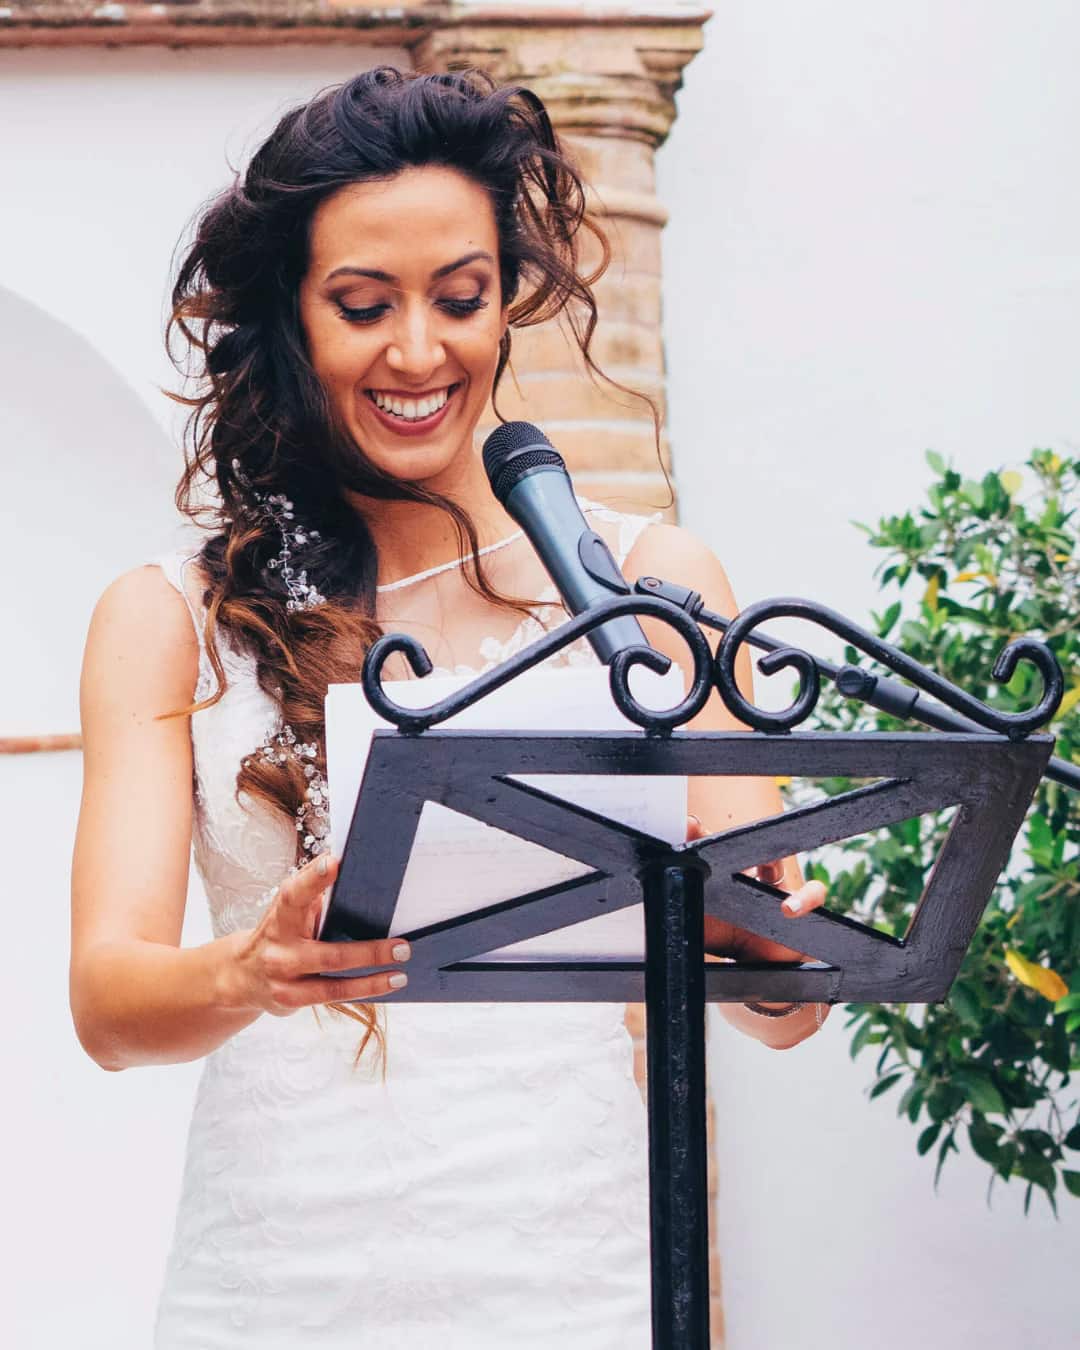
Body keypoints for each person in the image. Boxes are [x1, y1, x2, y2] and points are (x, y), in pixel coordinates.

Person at [70, 67, 829, 1349]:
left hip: (568, 1265)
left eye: (461, 299)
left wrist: (765, 950)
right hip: (277, 1277)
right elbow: (108, 1006)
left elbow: (790, 1011)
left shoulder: (653, 587)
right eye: (364, 305)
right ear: (288, 320)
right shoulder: (167, 617)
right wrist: (251, 969)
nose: (419, 353)